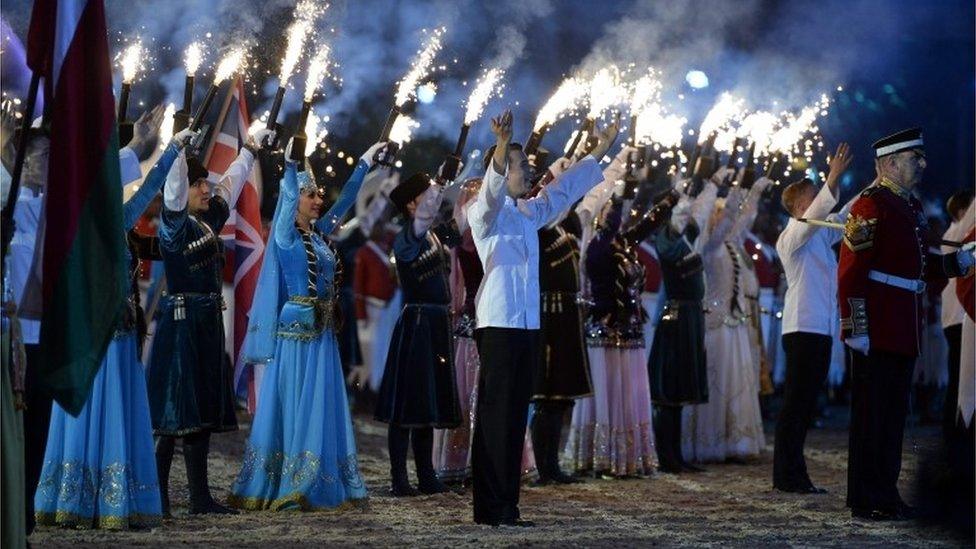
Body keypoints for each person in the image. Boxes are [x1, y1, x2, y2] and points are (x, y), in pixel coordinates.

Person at [33, 128, 194, 528]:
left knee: (115, 413)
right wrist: (151, 148)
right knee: (93, 412)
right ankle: (78, 499)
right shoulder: (73, 219)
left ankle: (105, 500)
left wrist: (173, 150)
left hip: (120, 338)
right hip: (94, 340)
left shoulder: (114, 220)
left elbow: (146, 190)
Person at [466, 110, 617, 526]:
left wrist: (600, 148)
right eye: (522, 166)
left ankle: (507, 505)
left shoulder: (529, 214)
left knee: (517, 419)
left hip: (527, 327)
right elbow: (492, 192)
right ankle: (489, 507)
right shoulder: (485, 215)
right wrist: (501, 146)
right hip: (497, 326)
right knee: (496, 417)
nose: (529, 171)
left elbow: (564, 191)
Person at [227, 139, 384, 510]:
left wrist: (363, 161)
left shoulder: (319, 234)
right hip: (297, 335)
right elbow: (286, 197)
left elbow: (345, 200)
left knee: (319, 402)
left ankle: (319, 476)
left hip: (323, 335)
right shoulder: (285, 236)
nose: (318, 201)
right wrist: (291, 164)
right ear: (294, 198)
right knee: (298, 403)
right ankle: (294, 481)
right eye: (310, 195)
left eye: (317, 195)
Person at [839, 128, 974, 520]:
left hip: (903, 324)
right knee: (872, 416)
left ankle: (886, 491)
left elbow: (920, 266)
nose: (923, 164)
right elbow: (851, 272)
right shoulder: (869, 206)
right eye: (916, 158)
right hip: (878, 325)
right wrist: (856, 326)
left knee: (894, 415)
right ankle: (867, 496)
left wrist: (958, 263)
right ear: (891, 163)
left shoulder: (909, 207)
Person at [148, 126, 274, 515]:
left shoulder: (206, 223)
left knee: (199, 410)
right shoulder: (173, 224)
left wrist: (250, 150)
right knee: (174, 414)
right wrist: (175, 152)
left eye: (205, 181)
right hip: (181, 323)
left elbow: (232, 185)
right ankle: (160, 497)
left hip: (204, 323)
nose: (207, 189)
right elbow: (174, 191)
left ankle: (200, 498)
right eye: (199, 183)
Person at [568, 183, 677, 477]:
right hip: (606, 331)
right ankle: (602, 457)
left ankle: (628, 456)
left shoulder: (623, 243)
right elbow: (602, 271)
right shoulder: (596, 248)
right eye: (608, 210)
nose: (615, 215)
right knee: (609, 393)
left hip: (629, 331)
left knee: (630, 393)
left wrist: (670, 201)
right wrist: (617, 203)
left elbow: (647, 225)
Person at [374, 170, 461, 497]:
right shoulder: (405, 236)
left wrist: (454, 178)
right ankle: (400, 479)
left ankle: (426, 475)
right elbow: (426, 214)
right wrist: (439, 183)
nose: (433, 200)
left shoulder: (435, 235)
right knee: (406, 407)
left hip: (436, 324)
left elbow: (466, 216)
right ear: (412, 204)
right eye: (425, 195)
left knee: (427, 405)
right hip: (418, 324)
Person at [772, 143, 853, 493]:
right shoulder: (791, 235)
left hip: (818, 328)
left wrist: (876, 187)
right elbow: (824, 210)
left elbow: (845, 215)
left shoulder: (817, 234)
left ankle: (793, 474)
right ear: (801, 205)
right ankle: (788, 475)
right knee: (796, 405)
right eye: (814, 194)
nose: (821, 196)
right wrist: (832, 178)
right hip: (802, 327)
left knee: (805, 406)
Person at [682, 174, 771, 463]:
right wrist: (733, 191)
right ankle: (711, 443)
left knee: (738, 386)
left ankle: (737, 441)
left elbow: (743, 219)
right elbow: (730, 217)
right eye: (718, 214)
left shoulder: (731, 244)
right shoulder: (707, 246)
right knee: (718, 385)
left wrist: (754, 189)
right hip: (715, 325)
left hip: (734, 324)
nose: (724, 219)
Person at [941, 191, 974, 437]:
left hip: (957, 313)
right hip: (959, 313)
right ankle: (954, 427)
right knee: (960, 377)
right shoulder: (956, 233)